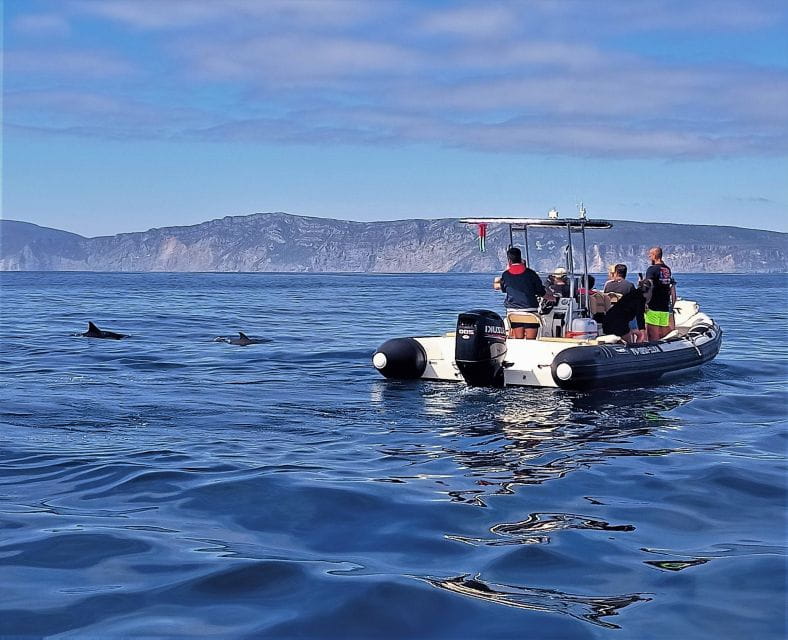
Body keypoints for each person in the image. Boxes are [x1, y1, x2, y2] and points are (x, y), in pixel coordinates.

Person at [493, 247, 545, 339]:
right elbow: (541, 292)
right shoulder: (531, 274)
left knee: (518, 338)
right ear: (521, 258)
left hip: (512, 312)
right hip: (530, 311)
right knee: (531, 340)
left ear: (509, 260)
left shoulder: (505, 275)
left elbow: (504, 289)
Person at [644, 247, 674, 341]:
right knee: (662, 333)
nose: (649, 256)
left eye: (650, 254)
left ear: (654, 255)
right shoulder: (666, 269)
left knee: (652, 335)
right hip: (664, 305)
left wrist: (644, 301)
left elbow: (648, 286)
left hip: (653, 305)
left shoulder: (652, 269)